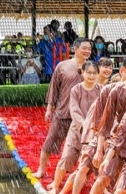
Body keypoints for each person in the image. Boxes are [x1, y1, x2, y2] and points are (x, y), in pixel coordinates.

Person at [71, 54, 126, 194]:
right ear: (123, 70)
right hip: (114, 139)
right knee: (103, 177)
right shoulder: (114, 91)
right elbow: (104, 122)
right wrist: (99, 149)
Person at [31, 38, 92, 179]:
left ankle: (80, 175)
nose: (87, 51)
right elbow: (54, 89)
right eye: (84, 48)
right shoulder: (63, 66)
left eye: (89, 48)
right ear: (75, 49)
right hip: (63, 111)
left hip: (83, 115)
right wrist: (49, 108)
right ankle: (41, 169)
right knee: (50, 141)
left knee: (84, 147)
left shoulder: (91, 68)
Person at [47, 60, 101, 194]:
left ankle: (85, 189)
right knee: (66, 157)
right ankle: (55, 186)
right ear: (82, 73)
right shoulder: (76, 89)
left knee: (87, 163)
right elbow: (74, 110)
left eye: (94, 73)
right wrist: (84, 125)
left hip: (94, 132)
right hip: (76, 129)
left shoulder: (101, 90)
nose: (91, 76)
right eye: (88, 72)